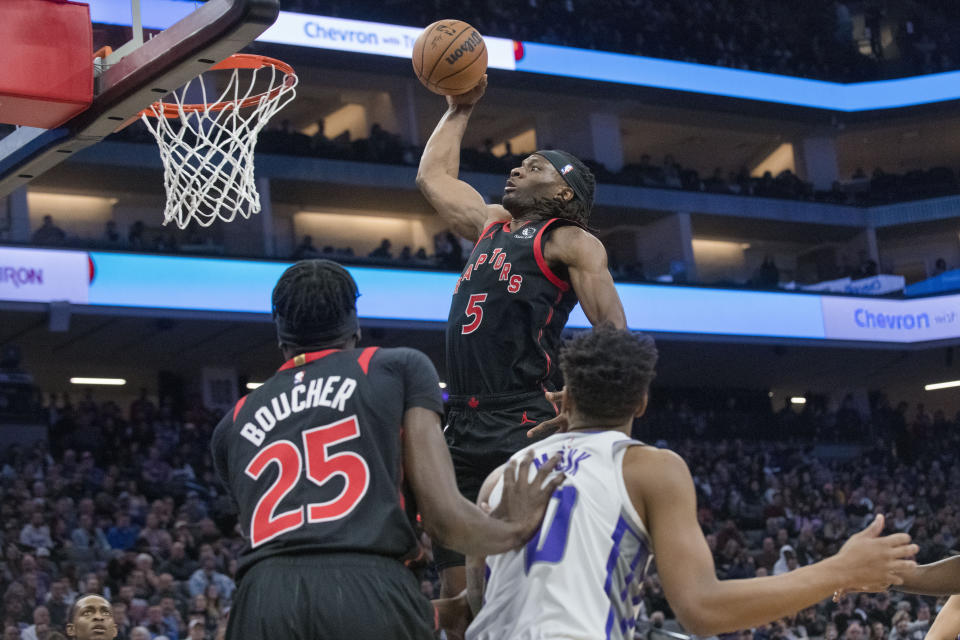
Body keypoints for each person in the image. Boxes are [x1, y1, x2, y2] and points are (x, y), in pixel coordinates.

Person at [461, 326, 918, 640]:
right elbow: (701, 609)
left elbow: (479, 600)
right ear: (641, 402)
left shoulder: (504, 474)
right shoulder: (651, 468)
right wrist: (841, 569)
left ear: (567, 394)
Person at [209, 259, 563, 640]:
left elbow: (304, 569)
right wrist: (515, 530)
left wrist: (435, 614)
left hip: (259, 601)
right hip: (370, 585)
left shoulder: (231, 424)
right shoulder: (395, 368)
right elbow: (443, 518)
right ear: (354, 324)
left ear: (280, 332)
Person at [415, 74, 627, 611]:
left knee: (519, 580)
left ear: (562, 193)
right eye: (519, 163)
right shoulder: (490, 224)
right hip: (457, 424)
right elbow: (432, 176)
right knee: (455, 591)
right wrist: (460, 107)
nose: (516, 168)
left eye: (535, 167)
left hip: (519, 422)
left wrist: (584, 399)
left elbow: (613, 332)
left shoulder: (572, 242)